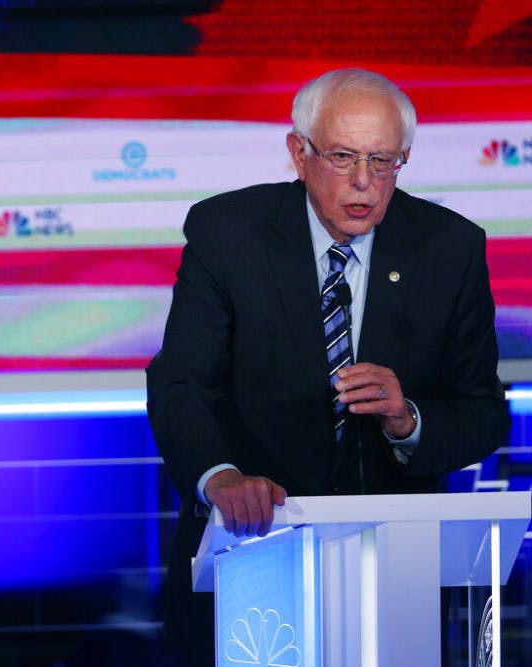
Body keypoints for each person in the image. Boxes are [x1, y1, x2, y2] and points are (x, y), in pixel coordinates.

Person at [145, 67, 510, 664]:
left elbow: (484, 413)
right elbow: (180, 383)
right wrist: (222, 477)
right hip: (252, 557)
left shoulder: (449, 248)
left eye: (383, 161)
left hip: (394, 577)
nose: (364, 182)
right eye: (342, 157)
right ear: (300, 153)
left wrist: (408, 421)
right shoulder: (228, 234)